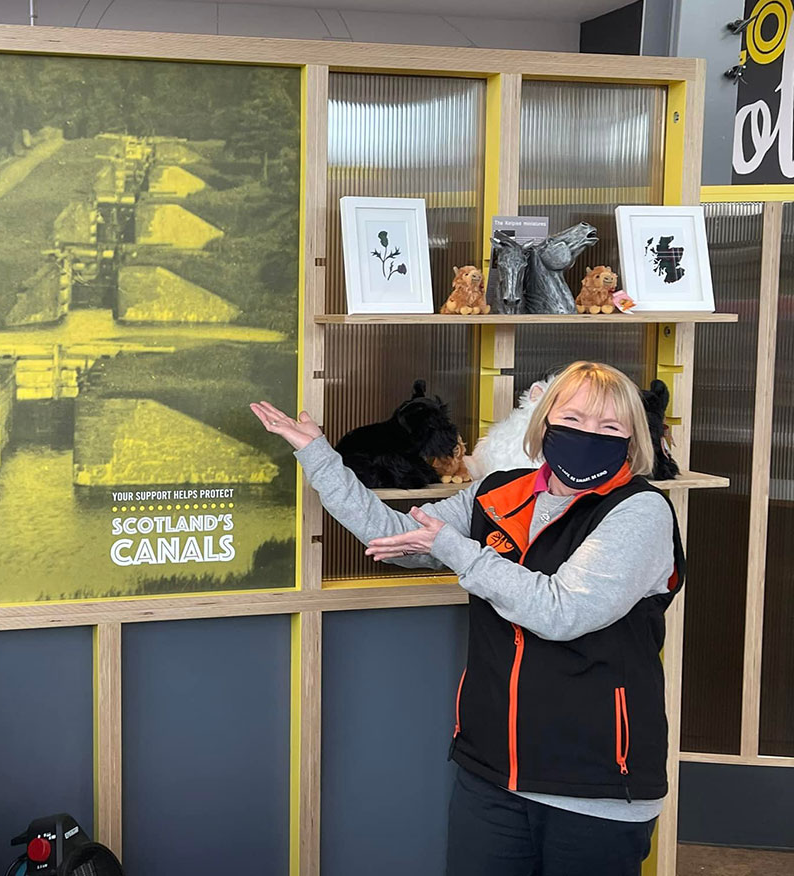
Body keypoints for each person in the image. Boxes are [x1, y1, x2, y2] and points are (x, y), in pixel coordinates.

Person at [250, 361, 684, 876]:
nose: (588, 434)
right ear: (544, 422)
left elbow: (563, 610)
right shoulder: (499, 493)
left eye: (610, 427)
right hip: (490, 776)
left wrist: (458, 549)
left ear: (634, 440)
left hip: (597, 787)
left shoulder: (640, 511)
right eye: (573, 418)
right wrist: (318, 456)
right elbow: (399, 536)